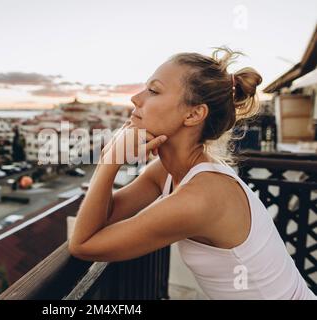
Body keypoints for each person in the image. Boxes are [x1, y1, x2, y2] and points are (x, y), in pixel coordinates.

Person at [68, 47, 316, 300]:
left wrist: (109, 160)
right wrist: (112, 159)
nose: (136, 98)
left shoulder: (201, 197)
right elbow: (106, 216)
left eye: (153, 91)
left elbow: (83, 245)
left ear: (194, 114)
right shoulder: (168, 171)